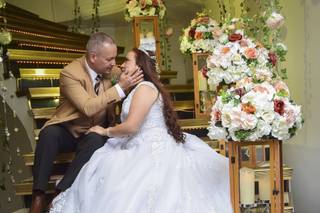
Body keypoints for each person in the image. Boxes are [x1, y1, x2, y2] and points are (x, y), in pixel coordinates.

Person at [49, 48, 233, 213]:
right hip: (137, 141)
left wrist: (104, 131)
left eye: (128, 60)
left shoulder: (145, 88)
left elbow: (132, 126)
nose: (122, 64)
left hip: (149, 145)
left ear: (140, 67)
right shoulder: (138, 89)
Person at [29, 33, 143, 213]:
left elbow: (132, 74)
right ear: (93, 57)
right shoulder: (70, 73)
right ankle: (38, 194)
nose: (114, 64)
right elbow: (88, 107)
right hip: (69, 128)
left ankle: (59, 193)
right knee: (48, 134)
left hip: (94, 131)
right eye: (109, 59)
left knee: (96, 141)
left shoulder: (110, 70)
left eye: (115, 58)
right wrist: (119, 88)